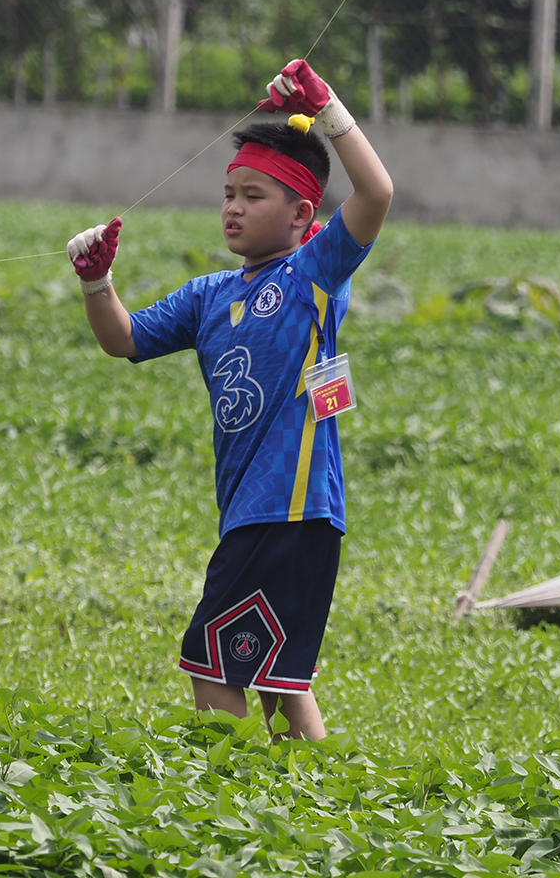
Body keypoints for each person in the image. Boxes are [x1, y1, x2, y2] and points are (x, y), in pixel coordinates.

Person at [67, 60, 393, 739]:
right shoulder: (208, 295)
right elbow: (123, 341)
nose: (233, 208)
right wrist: (98, 284)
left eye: (254, 195)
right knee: (280, 677)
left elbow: (376, 191)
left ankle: (228, 795)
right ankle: (310, 798)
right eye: (228, 193)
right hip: (255, 511)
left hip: (292, 506)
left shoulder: (314, 273)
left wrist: (327, 108)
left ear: (304, 215)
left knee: (211, 663)